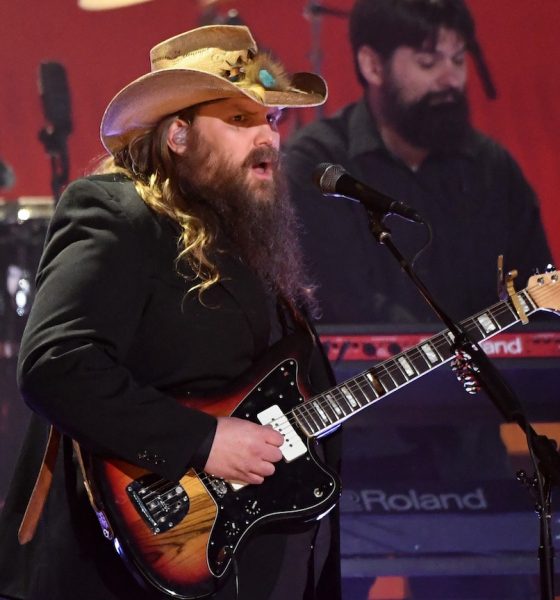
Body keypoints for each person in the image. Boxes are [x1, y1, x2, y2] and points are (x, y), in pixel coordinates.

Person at [0, 25, 341, 600]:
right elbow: (57, 364)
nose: (268, 139)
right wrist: (201, 439)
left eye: (273, 121)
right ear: (179, 135)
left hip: (247, 559)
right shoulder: (115, 211)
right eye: (240, 120)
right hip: (119, 564)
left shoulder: (251, 237)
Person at [285, 1, 553, 597]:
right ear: (372, 63)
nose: (450, 78)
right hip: (355, 446)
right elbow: (343, 302)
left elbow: (539, 294)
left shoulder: (492, 170)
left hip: (471, 441)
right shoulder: (316, 168)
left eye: (458, 60)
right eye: (429, 61)